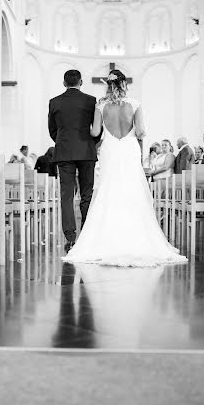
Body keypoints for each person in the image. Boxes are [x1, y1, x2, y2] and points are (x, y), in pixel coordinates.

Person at [63, 69, 188, 266]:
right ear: (124, 84)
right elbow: (140, 132)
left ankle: (106, 239)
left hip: (110, 150)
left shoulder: (101, 105)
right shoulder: (135, 104)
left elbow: (95, 131)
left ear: (109, 85)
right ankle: (135, 237)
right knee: (131, 191)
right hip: (129, 150)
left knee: (108, 190)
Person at [48, 69, 98, 252]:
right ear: (81, 82)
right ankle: (86, 233)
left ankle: (70, 237)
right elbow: (97, 129)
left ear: (64, 83)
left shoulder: (54, 102)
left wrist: (63, 143)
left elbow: (52, 130)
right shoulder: (91, 101)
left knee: (67, 196)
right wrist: (91, 143)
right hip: (86, 151)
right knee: (87, 193)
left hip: (64, 151)